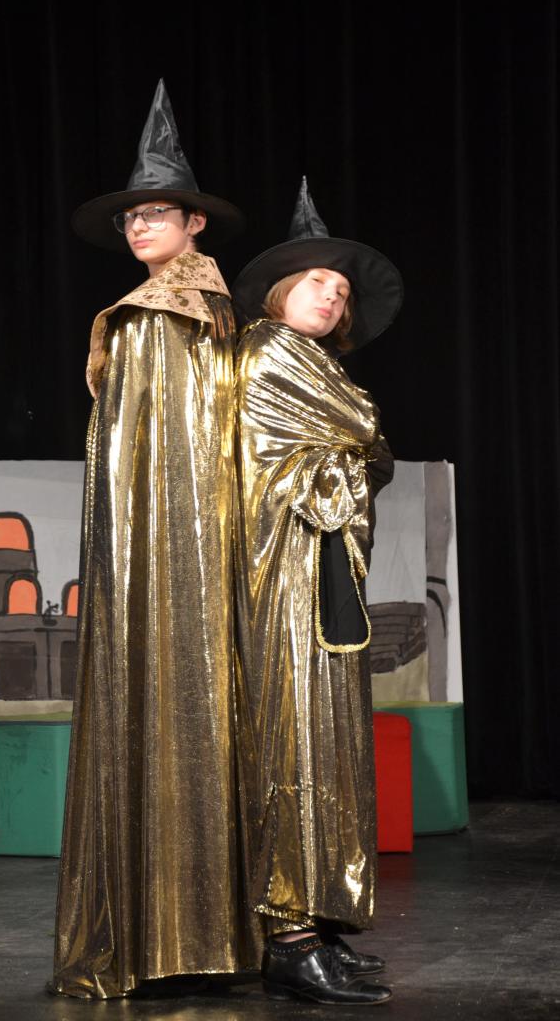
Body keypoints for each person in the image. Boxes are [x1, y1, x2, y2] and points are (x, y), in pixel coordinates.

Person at [51, 80, 257, 1000]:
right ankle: (191, 935)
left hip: (178, 555)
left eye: (156, 214)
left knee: (173, 701)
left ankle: (168, 938)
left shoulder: (173, 316)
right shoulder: (174, 314)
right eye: (131, 218)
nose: (139, 227)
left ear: (193, 225)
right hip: (171, 551)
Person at [231, 177, 403, 1006]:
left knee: (326, 737)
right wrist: (354, 452)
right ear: (277, 293)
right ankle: (288, 936)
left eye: (339, 291)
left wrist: (354, 455)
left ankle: (318, 919)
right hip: (283, 574)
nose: (331, 297)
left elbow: (362, 451)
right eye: (314, 283)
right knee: (292, 737)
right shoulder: (268, 352)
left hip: (320, 569)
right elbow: (352, 442)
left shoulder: (316, 364)